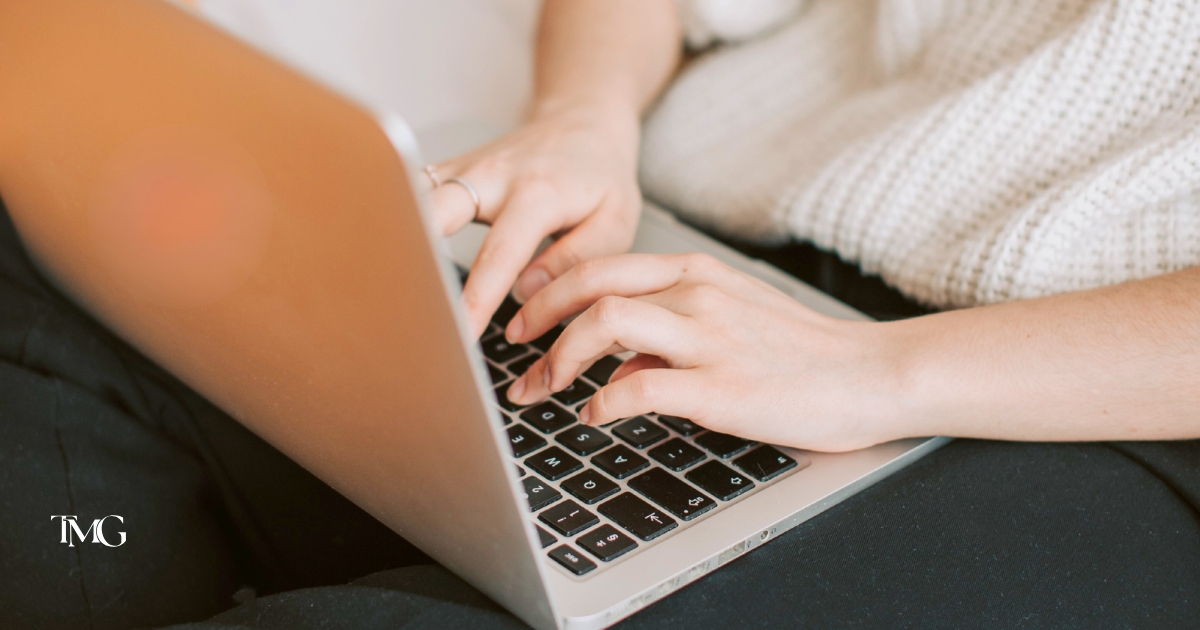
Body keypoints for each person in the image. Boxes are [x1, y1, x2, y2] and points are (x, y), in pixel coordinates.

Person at [1, 1, 1198, 629]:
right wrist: (586, 117)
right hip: (712, 248)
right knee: (60, 332)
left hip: (1082, 398)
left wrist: (881, 374)